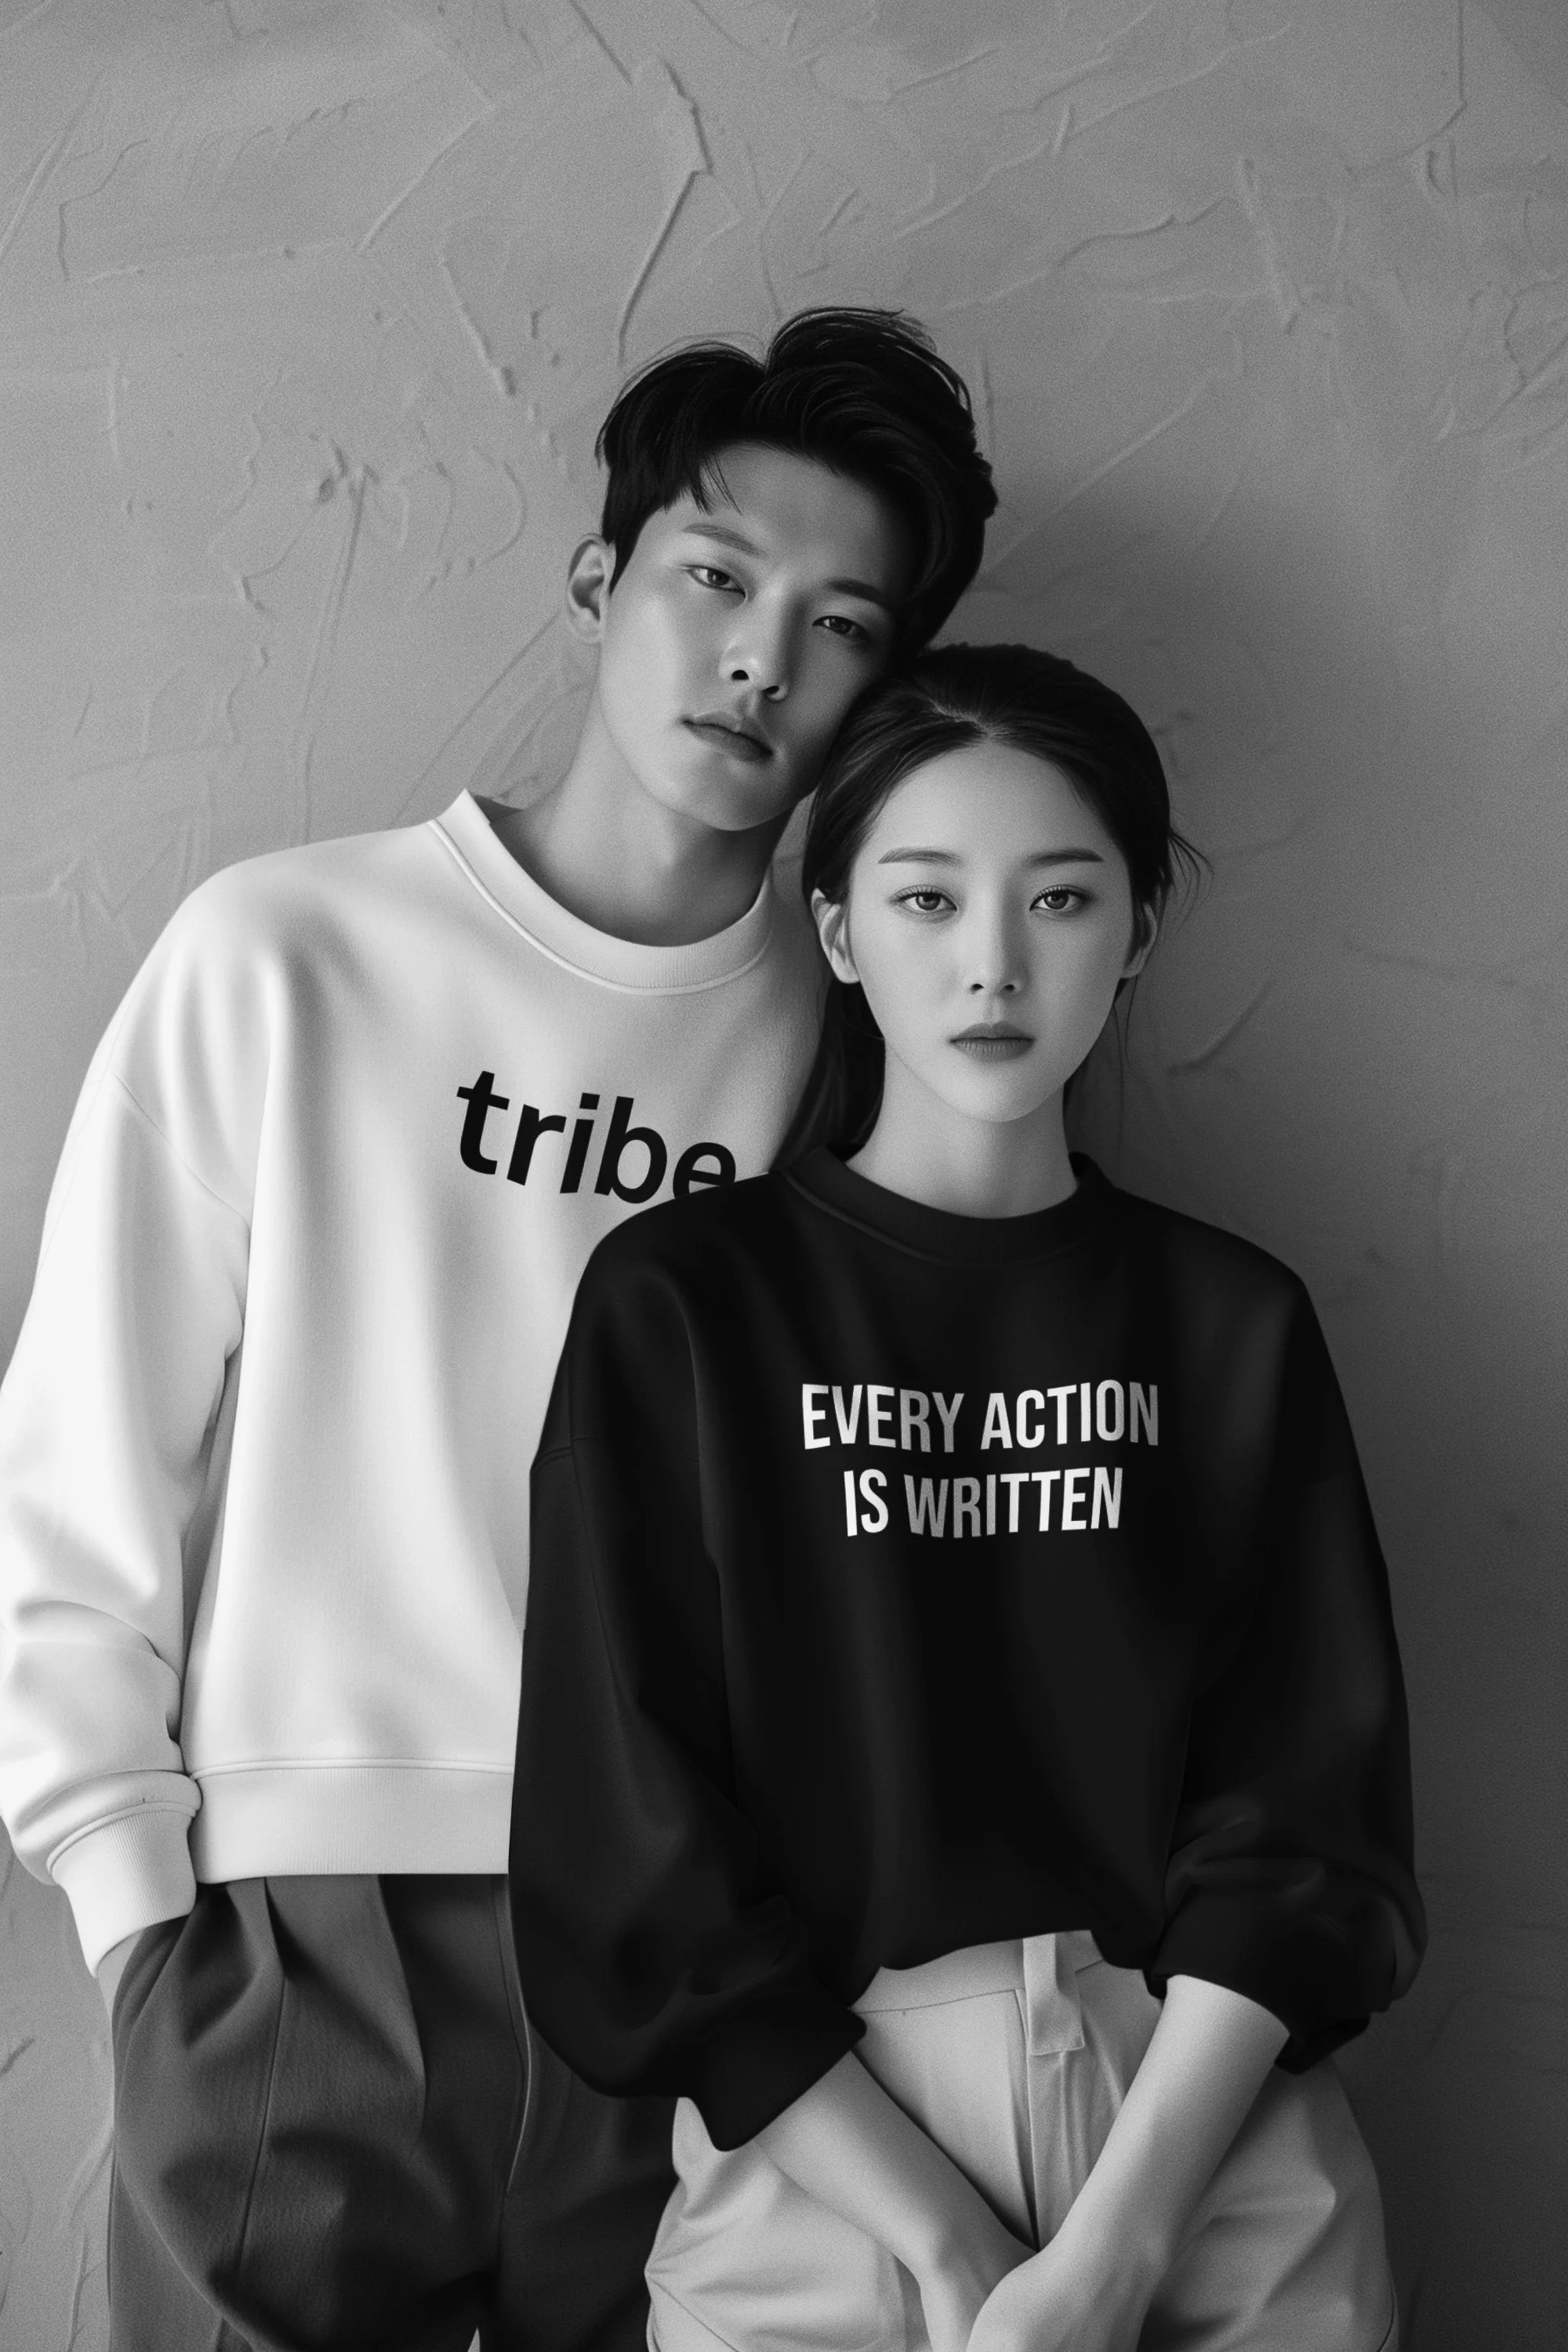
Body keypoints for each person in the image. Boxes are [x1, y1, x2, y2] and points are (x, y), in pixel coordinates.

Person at [0, 311, 996, 2352]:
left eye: (840, 628)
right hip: (300, 1952)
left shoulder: (871, 1065)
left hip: (713, 1984)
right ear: (599, 580)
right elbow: (78, 1460)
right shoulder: (288, 954)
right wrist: (137, 1933)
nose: (758, 659)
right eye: (716, 577)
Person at [508, 642, 1426, 2352]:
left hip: (1211, 2144)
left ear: (1138, 932)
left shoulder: (1229, 1320)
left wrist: (1116, 2252)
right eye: (925, 901)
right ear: (840, 931)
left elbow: (1309, 1817)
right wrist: (942, 2249)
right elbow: (626, 1838)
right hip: (824, 2167)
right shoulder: (688, 1307)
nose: (992, 964)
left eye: (1061, 900)